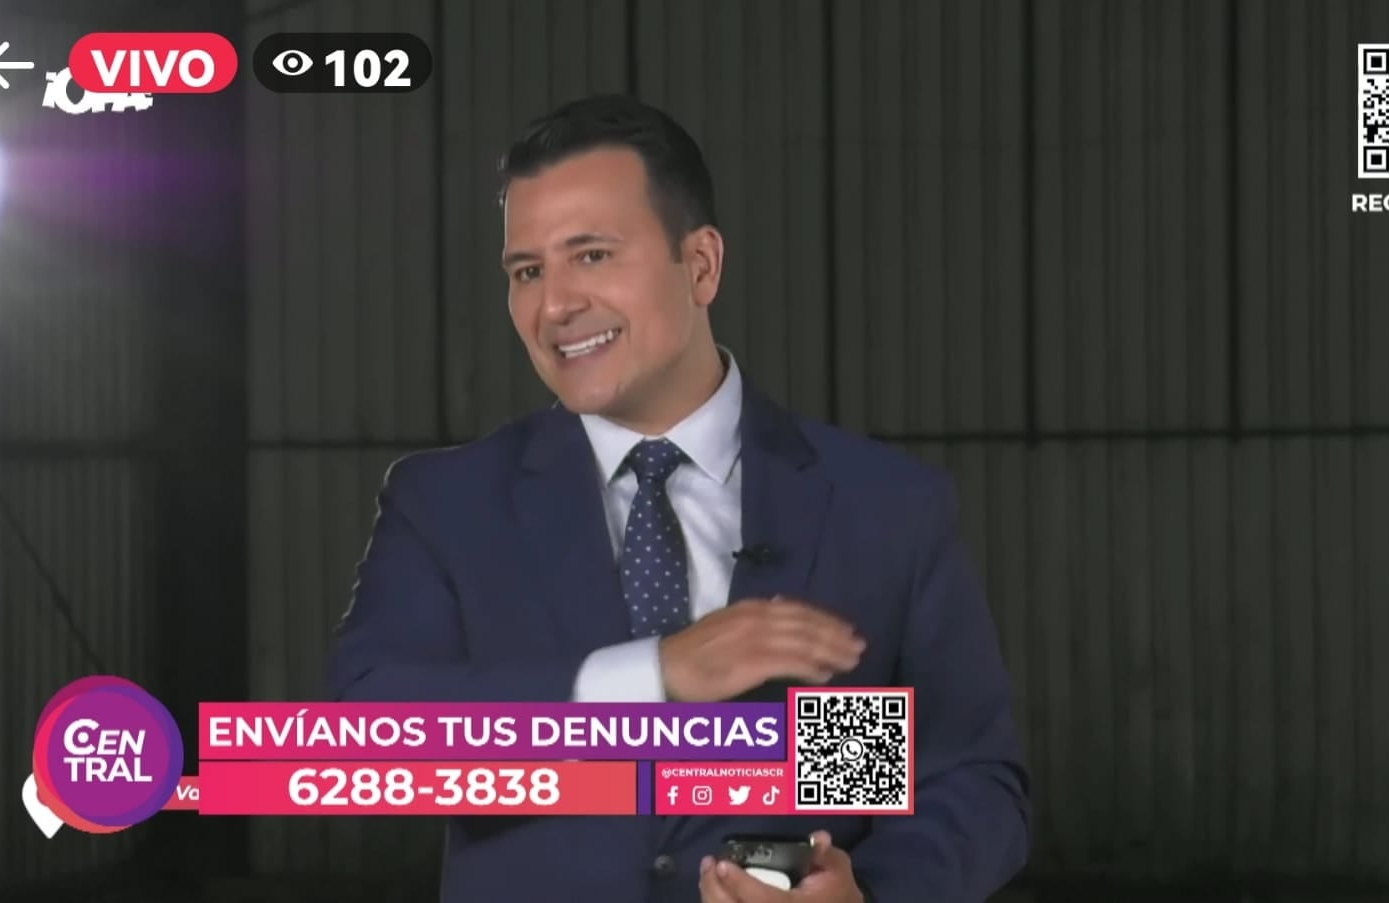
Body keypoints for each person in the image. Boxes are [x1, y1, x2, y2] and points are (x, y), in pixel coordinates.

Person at [326, 94, 1029, 903]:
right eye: (527, 271)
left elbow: (972, 779)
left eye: (592, 255)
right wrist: (652, 674)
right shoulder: (447, 505)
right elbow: (368, 737)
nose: (553, 306)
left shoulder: (884, 506)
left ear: (699, 266)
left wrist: (869, 894)